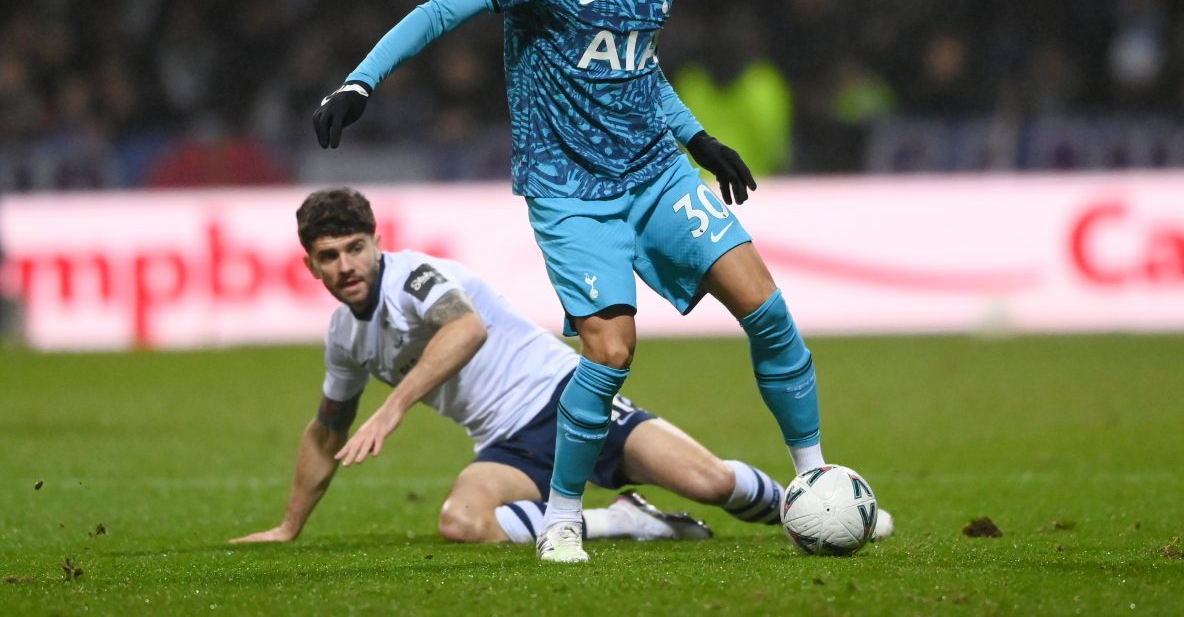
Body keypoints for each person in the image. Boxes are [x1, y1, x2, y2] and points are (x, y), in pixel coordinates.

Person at [311, 0, 856, 562]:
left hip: (656, 172)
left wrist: (696, 136)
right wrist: (361, 82)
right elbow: (442, 11)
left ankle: (814, 481)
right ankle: (565, 515)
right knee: (608, 352)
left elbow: (637, 60)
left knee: (765, 307)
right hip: (570, 188)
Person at [230, 187, 811, 549]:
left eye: (355, 247)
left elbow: (465, 328)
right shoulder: (344, 336)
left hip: (569, 399)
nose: (346, 265)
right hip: (508, 444)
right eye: (329, 256)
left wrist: (392, 408)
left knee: (707, 482)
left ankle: (811, 503)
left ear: (378, 243)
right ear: (310, 266)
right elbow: (327, 430)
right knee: (461, 521)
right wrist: (289, 526)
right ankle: (625, 522)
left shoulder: (416, 278)